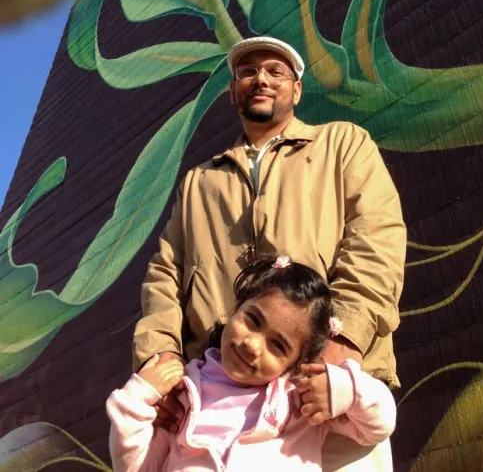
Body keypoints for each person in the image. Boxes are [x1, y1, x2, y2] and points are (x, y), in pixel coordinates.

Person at [132, 36, 406, 471]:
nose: (261, 78)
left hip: (326, 395)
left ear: (296, 89)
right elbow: (164, 276)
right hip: (215, 405)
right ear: (233, 90)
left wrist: (344, 338)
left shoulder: (343, 145)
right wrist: (161, 359)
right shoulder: (198, 181)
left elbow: (377, 240)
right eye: (247, 71)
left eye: (276, 71)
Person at [110, 257, 396, 471]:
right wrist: (136, 403)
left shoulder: (302, 400)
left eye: (278, 345)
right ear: (236, 308)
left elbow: (378, 425)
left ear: (297, 363)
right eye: (253, 320)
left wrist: (344, 389)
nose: (252, 344)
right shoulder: (182, 392)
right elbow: (140, 467)